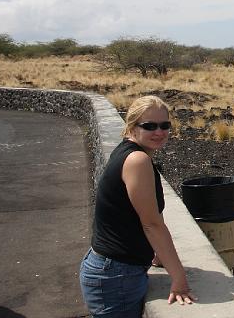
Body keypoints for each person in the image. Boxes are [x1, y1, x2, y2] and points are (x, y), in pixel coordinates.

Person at [80, 95, 195, 317]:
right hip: (116, 275)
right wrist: (179, 280)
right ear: (132, 127)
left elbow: (139, 214)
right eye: (149, 126)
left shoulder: (128, 152)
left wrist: (159, 256)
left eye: (165, 125)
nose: (159, 132)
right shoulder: (137, 161)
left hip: (111, 268)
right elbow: (151, 224)